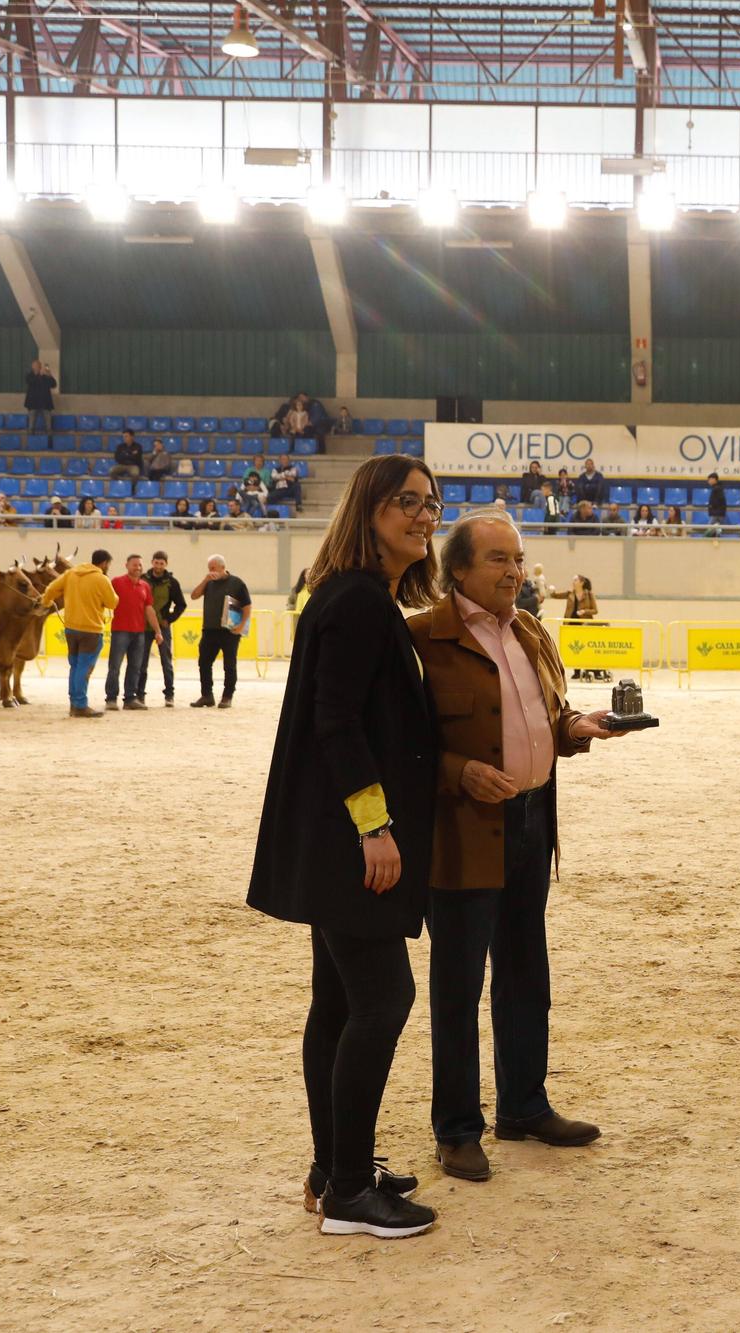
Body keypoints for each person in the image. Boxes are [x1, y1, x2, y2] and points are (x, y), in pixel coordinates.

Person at [246, 454, 444, 1241]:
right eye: (407, 502)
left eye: (432, 504)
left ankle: (335, 1169)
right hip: (349, 840)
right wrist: (375, 825)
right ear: (368, 510)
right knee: (382, 1000)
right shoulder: (359, 602)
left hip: (329, 839)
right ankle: (353, 1193)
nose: (424, 516)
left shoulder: (360, 597)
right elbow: (337, 722)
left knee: (336, 1004)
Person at [409, 509, 628, 1183]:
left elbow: (546, 716)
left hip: (532, 820)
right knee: (458, 982)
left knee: (526, 970)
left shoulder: (530, 629)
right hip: (463, 831)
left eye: (519, 558)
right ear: (461, 570)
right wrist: (459, 771)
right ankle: (456, 1128)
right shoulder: (423, 639)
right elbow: (401, 745)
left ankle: (524, 1105)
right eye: (500, 559)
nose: (515, 572)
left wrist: (576, 725)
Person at [42, 550, 119, 719]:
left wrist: (45, 602)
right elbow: (112, 603)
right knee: (85, 668)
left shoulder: (71, 574)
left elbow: (51, 588)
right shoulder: (102, 579)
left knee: (75, 666)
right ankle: (80, 705)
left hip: (71, 629)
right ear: (105, 563)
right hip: (91, 630)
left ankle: (74, 703)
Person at [102, 553, 162, 712]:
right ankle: (111, 699)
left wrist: (157, 631)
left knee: (135, 667)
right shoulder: (116, 582)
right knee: (114, 666)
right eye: (134, 564)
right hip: (120, 631)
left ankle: (130, 698)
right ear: (127, 566)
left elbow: (149, 610)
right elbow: (105, 601)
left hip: (139, 633)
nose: (138, 567)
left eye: (140, 565)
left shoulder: (145, 586)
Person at [191, 555, 252, 708]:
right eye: (209, 568)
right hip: (209, 630)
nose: (211, 571)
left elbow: (247, 606)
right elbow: (194, 596)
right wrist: (205, 580)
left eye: (213, 568)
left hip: (229, 632)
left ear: (222, 567)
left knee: (229, 664)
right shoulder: (209, 583)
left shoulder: (237, 583)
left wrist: (241, 626)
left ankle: (227, 696)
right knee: (204, 663)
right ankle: (206, 695)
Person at [144, 551, 187, 707]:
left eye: (162, 563)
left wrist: (169, 619)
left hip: (162, 628)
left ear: (166, 564)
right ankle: (140, 694)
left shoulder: (172, 583)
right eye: (156, 562)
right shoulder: (143, 579)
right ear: (152, 562)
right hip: (144, 627)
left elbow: (181, 604)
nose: (159, 566)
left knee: (166, 661)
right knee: (141, 662)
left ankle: (169, 694)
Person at [24, 358, 57, 435]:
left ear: (41, 366)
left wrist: (50, 376)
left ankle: (49, 442)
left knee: (48, 426)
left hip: (45, 403)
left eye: (38, 366)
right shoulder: (29, 375)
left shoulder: (45, 376)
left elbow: (54, 385)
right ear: (32, 367)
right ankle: (31, 441)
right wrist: (37, 375)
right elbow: (30, 382)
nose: (37, 367)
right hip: (33, 403)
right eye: (35, 366)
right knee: (31, 426)